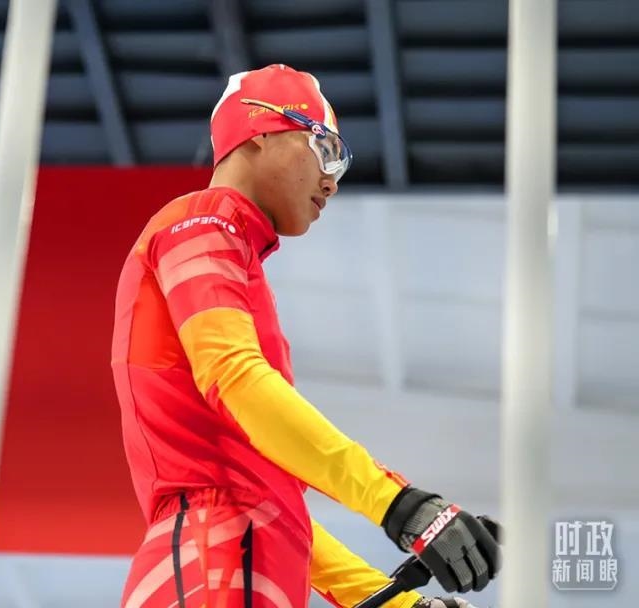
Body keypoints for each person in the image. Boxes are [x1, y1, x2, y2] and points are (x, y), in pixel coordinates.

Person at [109, 64, 501, 608]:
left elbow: (273, 508)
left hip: (232, 562)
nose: (332, 181)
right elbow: (235, 376)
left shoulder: (226, 247)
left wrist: (400, 603)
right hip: (214, 563)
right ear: (260, 129)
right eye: (326, 149)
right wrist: (399, 504)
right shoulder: (203, 222)